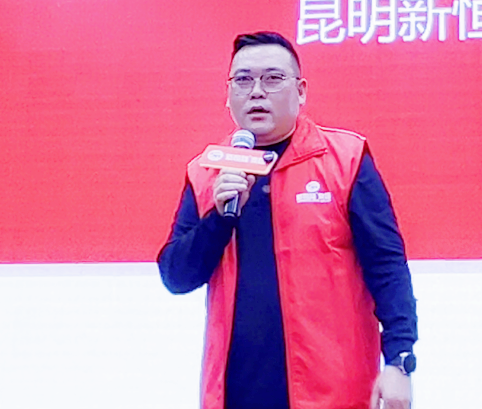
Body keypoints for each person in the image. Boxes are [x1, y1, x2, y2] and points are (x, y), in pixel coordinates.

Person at [158, 31, 418, 409]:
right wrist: (219, 219)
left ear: (301, 91)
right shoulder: (207, 172)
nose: (256, 92)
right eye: (243, 80)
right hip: (236, 394)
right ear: (228, 94)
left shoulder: (345, 159)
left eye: (272, 79)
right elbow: (176, 276)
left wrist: (399, 359)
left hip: (332, 392)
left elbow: (387, 265)